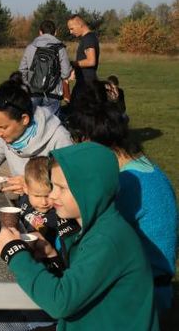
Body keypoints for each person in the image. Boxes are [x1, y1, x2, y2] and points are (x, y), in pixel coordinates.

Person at [0, 142, 159, 330]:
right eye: (53, 186)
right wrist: (51, 256)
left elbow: (60, 302)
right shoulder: (88, 228)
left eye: (61, 188)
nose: (53, 195)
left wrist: (14, 252)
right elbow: (76, 284)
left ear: (89, 189)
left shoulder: (108, 239)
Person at [66, 94, 177, 315]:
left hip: (142, 295)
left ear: (90, 142)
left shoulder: (125, 184)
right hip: (155, 283)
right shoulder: (145, 168)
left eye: (78, 143)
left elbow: (91, 240)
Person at [0, 75, 72, 194]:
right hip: (23, 203)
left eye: (3, 127)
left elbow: (70, 181)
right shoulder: (9, 136)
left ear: (24, 119)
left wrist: (33, 185)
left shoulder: (59, 138)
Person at [19, 20, 72, 115]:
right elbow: (66, 73)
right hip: (54, 93)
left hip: (33, 91)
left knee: (33, 122)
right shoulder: (60, 48)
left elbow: (22, 70)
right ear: (55, 32)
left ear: (40, 32)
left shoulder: (31, 47)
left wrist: (27, 84)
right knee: (52, 124)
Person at [18, 156, 61, 245]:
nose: (44, 202)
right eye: (37, 196)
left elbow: (48, 234)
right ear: (26, 189)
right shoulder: (25, 200)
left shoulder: (58, 214)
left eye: (48, 195)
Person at [67, 14, 100, 101]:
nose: (70, 32)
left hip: (87, 85)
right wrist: (75, 71)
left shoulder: (88, 39)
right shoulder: (87, 38)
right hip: (84, 83)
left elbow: (91, 61)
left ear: (80, 24)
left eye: (72, 28)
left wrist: (72, 64)